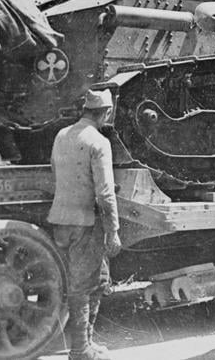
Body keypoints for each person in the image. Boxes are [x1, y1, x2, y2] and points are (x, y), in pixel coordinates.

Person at [47, 89, 122, 360]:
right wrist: (113, 230)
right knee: (83, 286)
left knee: (97, 280)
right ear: (106, 112)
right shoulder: (99, 142)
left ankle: (88, 343)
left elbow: (55, 172)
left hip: (61, 219)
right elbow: (105, 193)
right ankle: (79, 350)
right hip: (86, 224)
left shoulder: (61, 135)